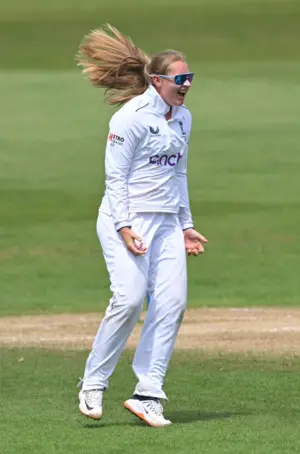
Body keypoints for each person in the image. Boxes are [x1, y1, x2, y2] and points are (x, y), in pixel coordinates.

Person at [74, 24, 208, 428]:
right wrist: (124, 226)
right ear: (157, 80)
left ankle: (149, 393)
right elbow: (114, 179)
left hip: (167, 223)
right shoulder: (129, 118)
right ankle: (93, 383)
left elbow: (178, 174)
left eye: (190, 79)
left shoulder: (183, 118)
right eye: (179, 79)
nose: (185, 86)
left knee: (171, 304)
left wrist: (185, 225)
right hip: (125, 220)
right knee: (130, 300)